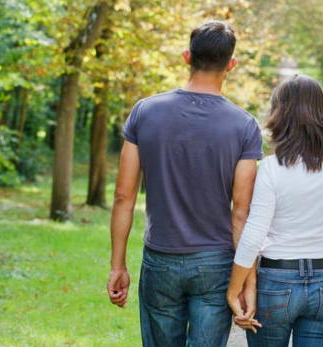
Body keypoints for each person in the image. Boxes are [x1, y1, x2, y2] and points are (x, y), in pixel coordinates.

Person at [107, 21, 263, 347]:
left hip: (160, 258)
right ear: (231, 66)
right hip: (215, 263)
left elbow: (123, 196)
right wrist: (248, 278)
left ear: (186, 57)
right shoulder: (245, 126)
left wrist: (117, 265)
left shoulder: (144, 112)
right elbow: (241, 213)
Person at [227, 74, 323, 347]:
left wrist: (235, 289)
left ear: (279, 114)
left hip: (276, 281)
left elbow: (255, 232)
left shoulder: (271, 168)